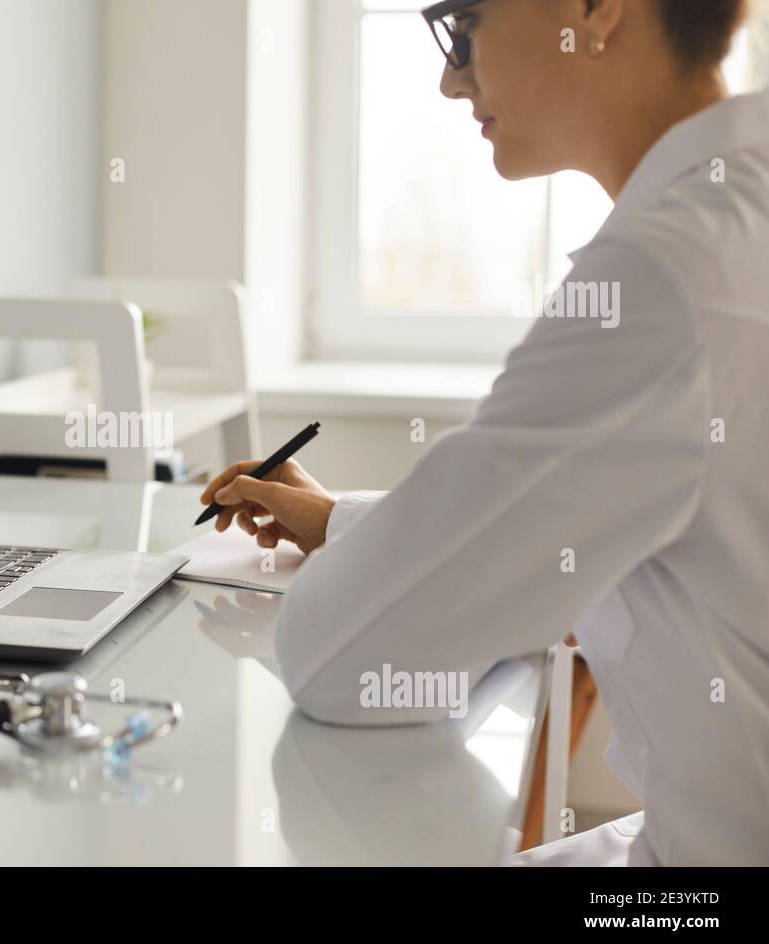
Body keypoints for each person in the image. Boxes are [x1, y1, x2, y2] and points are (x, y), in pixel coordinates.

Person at [203, 0, 769, 865]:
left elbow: (337, 657)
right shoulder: (737, 219)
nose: (448, 74)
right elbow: (591, 516)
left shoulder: (663, 281)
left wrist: (375, 556)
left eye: (463, 22)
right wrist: (350, 525)